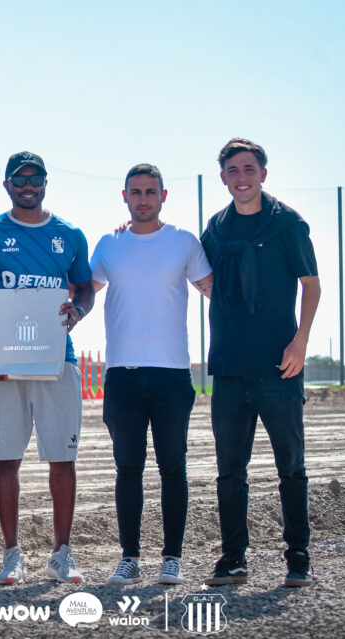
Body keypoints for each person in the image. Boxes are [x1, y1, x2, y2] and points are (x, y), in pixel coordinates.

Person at [0, 151, 94, 585]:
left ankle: (61, 553)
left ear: (44, 183)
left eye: (35, 177)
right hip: (5, 365)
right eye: (19, 179)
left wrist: (76, 309)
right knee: (7, 459)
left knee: (63, 458)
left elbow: (86, 291)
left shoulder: (70, 234)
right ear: (6, 185)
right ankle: (12, 554)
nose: (27, 185)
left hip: (58, 360)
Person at [201, 138, 320, 588]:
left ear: (263, 174)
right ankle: (233, 558)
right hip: (229, 368)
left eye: (249, 168)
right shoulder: (215, 228)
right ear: (224, 178)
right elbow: (196, 272)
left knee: (291, 466)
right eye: (233, 170)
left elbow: (311, 285)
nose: (242, 177)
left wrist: (300, 342)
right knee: (230, 471)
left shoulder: (287, 224)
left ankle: (298, 556)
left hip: (278, 365)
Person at [89, 164, 213, 586]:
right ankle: (129, 556)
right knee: (128, 468)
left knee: (173, 467)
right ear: (124, 196)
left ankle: (172, 557)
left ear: (164, 195)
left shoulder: (184, 242)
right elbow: (86, 291)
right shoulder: (110, 243)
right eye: (136, 192)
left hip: (173, 374)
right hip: (122, 374)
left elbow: (214, 289)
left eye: (150, 191)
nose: (143, 198)